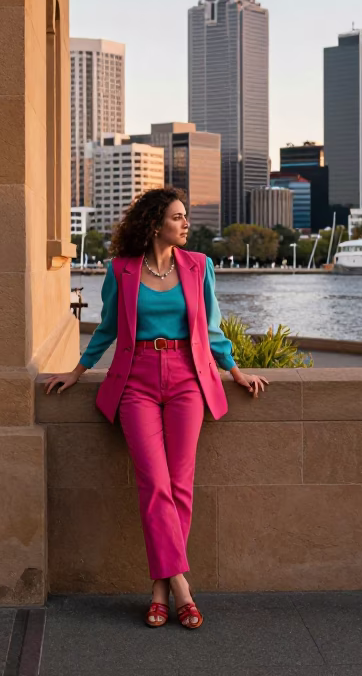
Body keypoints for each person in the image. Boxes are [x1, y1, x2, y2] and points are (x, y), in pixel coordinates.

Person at [44, 187, 269, 630]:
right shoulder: (121, 270)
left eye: (185, 217)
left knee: (180, 484)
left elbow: (211, 326)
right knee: (154, 483)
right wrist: (78, 370)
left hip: (188, 377)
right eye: (178, 217)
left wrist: (235, 371)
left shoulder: (199, 266)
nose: (186, 224)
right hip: (137, 381)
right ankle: (182, 585)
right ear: (155, 224)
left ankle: (160, 590)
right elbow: (107, 328)